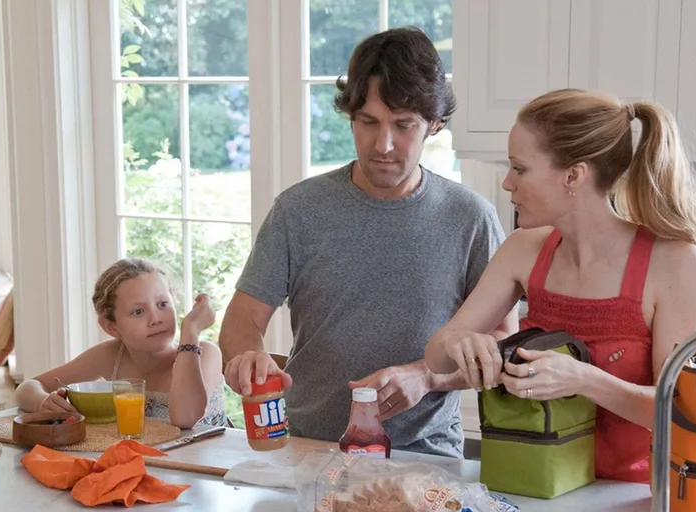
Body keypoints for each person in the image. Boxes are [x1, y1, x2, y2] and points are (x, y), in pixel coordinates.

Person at [219, 27, 515, 458]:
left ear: (434, 125)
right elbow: (244, 316)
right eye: (368, 122)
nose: (384, 145)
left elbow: (500, 347)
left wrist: (426, 376)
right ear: (350, 117)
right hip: (307, 448)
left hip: (424, 454)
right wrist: (247, 355)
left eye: (404, 125)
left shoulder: (470, 218)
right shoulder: (298, 210)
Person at [424, 88, 696, 482]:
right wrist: (457, 342)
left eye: (520, 168)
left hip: (631, 503)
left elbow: (683, 410)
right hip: (531, 487)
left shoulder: (674, 262)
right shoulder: (523, 250)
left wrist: (582, 379)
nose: (506, 183)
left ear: (573, 175)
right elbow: (436, 358)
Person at [15, 258, 226, 429]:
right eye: (138, 311)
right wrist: (42, 401)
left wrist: (191, 332)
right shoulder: (111, 357)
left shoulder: (205, 354)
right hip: (146, 468)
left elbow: (185, 418)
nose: (156, 318)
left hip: (207, 474)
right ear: (111, 327)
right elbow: (28, 387)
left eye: (163, 304)